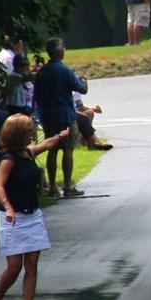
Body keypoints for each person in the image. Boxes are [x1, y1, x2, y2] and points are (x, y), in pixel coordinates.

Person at [0, 114, 72, 300]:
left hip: (32, 214)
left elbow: (45, 144)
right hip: (13, 217)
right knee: (14, 266)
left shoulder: (28, 153)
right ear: (18, 134)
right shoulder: (8, 160)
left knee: (32, 265)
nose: (32, 133)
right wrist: (7, 207)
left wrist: (60, 137)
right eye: (29, 131)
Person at [34, 38, 87, 198]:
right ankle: (67, 186)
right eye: (63, 47)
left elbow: (36, 95)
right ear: (58, 51)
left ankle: (52, 188)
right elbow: (81, 89)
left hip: (48, 116)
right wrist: (84, 80)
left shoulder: (42, 72)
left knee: (52, 149)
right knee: (68, 149)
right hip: (65, 115)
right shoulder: (64, 70)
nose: (64, 50)